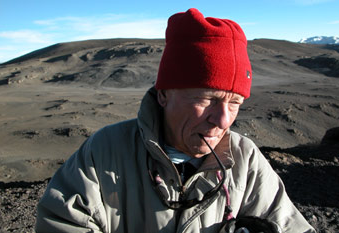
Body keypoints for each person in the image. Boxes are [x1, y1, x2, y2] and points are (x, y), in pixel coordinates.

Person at [36, 8, 315, 233]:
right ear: (164, 95)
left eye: (235, 103)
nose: (222, 120)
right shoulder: (105, 152)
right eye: (207, 99)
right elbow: (61, 222)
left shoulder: (246, 160)